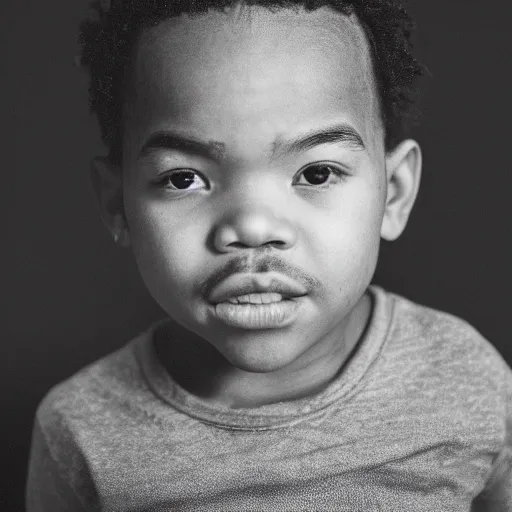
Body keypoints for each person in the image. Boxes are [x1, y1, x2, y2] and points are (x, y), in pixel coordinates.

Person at [25, 0, 511, 510]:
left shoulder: (465, 377)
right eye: (184, 179)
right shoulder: (79, 429)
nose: (254, 228)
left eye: (317, 173)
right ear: (116, 204)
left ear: (392, 193)